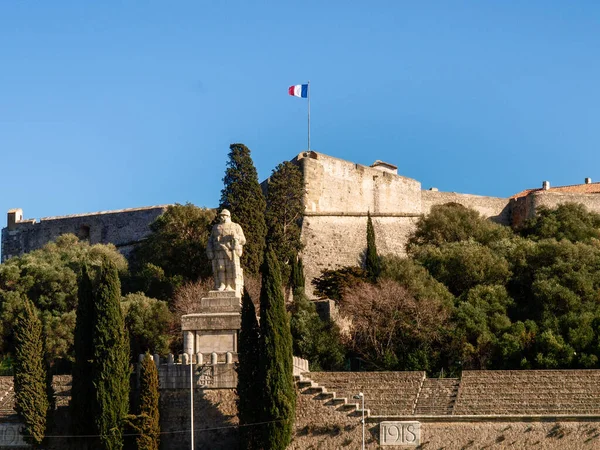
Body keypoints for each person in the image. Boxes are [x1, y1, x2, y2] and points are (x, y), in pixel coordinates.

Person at [206, 209, 246, 295]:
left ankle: (229, 285)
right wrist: (209, 250)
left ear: (228, 216)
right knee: (220, 268)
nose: (222, 217)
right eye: (221, 215)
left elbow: (243, 240)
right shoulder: (216, 227)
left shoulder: (235, 226)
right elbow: (210, 241)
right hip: (218, 251)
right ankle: (222, 284)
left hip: (230, 251)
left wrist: (237, 237)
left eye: (224, 215)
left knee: (230, 268)